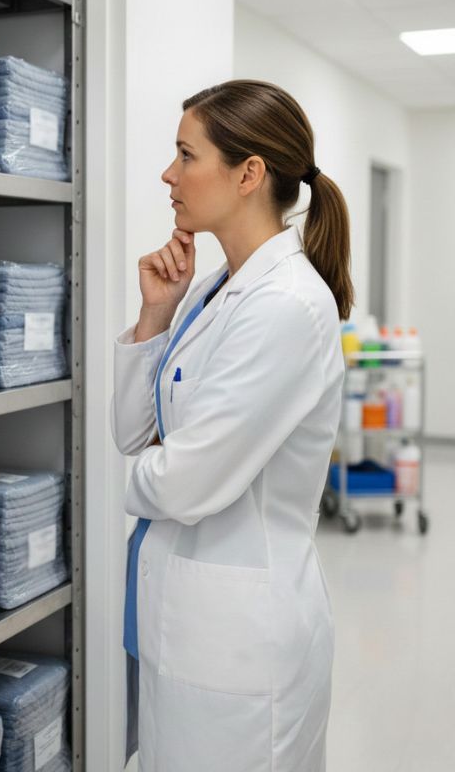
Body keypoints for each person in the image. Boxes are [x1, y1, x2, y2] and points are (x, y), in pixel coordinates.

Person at [111, 80, 352, 772]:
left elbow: (183, 484)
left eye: (186, 155)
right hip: (185, 618)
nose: (169, 174)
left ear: (249, 174)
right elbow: (131, 433)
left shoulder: (285, 305)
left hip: (240, 641)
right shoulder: (217, 288)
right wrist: (156, 315)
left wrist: (164, 463)